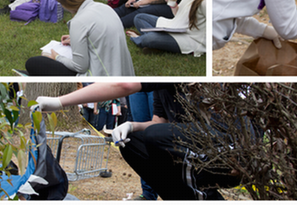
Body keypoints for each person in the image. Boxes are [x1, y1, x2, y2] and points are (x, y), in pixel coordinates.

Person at [34, 82, 243, 200]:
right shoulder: (162, 89)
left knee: (156, 137)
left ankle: (202, 196)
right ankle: (182, 198)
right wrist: (131, 126)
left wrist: (60, 102)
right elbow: (158, 122)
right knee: (131, 141)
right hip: (190, 156)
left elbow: (123, 84)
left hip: (224, 157)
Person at [25, 0, 135, 76]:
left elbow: (80, 66)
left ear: (65, 1)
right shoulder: (105, 8)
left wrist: (57, 57)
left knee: (34, 62)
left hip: (100, 76)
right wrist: (76, 39)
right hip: (123, 72)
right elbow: (99, 37)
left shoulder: (79, 21)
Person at [129, 0, 206, 56]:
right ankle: (158, 43)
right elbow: (179, 14)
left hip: (189, 39)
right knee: (139, 18)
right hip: (175, 26)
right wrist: (173, 3)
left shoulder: (205, 2)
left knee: (150, 38)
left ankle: (140, 39)